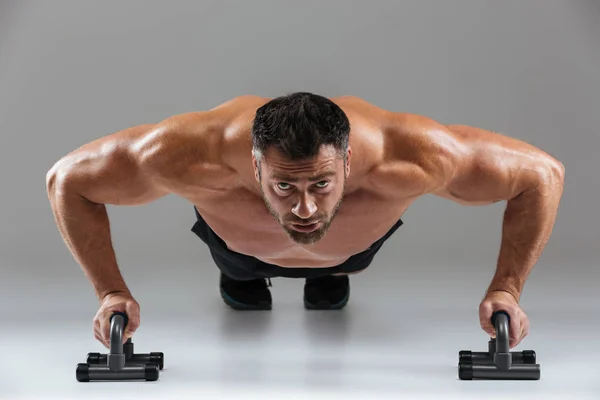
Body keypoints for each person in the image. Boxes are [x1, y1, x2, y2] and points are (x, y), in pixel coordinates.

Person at [46, 93, 565, 350]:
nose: (304, 208)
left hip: (351, 249)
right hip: (238, 246)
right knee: (244, 274)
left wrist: (509, 288)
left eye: (320, 184)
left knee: (333, 266)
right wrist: (111, 293)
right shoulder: (188, 155)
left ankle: (329, 273)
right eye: (283, 186)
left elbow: (541, 174)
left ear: (348, 161)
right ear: (254, 167)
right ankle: (246, 275)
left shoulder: (408, 156)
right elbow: (67, 180)